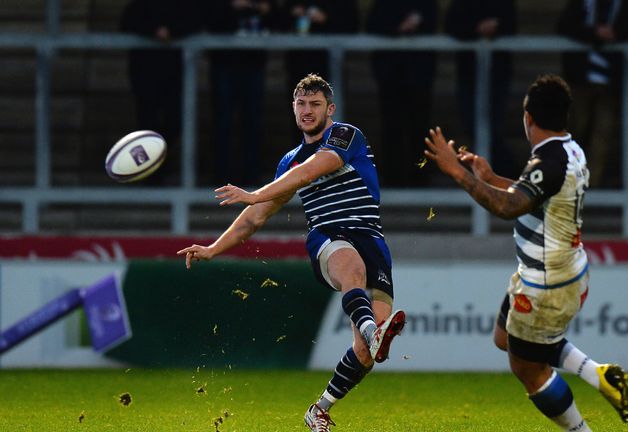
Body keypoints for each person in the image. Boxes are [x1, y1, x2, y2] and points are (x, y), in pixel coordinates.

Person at [177, 74, 406, 432]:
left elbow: (318, 167)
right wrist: (213, 248)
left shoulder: (346, 135)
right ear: (293, 109)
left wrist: (256, 192)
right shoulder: (289, 162)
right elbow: (254, 218)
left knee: (365, 353)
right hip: (328, 237)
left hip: (371, 239)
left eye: (315, 104)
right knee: (351, 269)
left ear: (330, 109)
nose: (307, 111)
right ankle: (373, 329)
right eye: (301, 104)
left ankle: (320, 409)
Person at [424, 74, 628, 431]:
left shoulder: (549, 161)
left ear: (528, 118)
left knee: (526, 367)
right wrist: (490, 177)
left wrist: (457, 171)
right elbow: (531, 196)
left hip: (546, 283)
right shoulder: (569, 150)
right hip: (555, 270)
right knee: (504, 337)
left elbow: (510, 207)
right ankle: (595, 373)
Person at [557, 0, 628, 188]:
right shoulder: (582, 5)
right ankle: (570, 184)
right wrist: (593, 33)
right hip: (581, 80)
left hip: (611, 83)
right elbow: (564, 26)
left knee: (602, 135)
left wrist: (617, 34)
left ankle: (589, 187)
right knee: (577, 131)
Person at [119, 0, 207, 185]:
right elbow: (127, 21)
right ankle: (149, 175)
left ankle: (155, 161)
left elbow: (196, 21)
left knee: (175, 122)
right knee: (147, 123)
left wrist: (172, 32)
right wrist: (154, 31)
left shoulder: (183, 6)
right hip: (145, 72)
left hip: (173, 73)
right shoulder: (141, 6)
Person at [367, 0, 438, 187]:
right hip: (391, 76)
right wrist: (397, 27)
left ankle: (420, 178)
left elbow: (434, 23)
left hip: (419, 77)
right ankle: (394, 179)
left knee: (419, 129)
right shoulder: (384, 6)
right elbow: (373, 24)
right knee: (393, 129)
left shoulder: (427, 6)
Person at [206, 0, 277, 186]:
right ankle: (221, 177)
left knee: (252, 121)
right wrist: (231, 7)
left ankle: (251, 176)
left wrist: (265, 9)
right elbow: (206, 16)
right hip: (224, 61)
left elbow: (277, 16)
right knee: (223, 122)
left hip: (253, 62)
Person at [445, 0, 518, 178]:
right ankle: (503, 178)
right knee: (472, 125)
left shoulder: (504, 6)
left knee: (493, 128)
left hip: (497, 73)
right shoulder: (461, 6)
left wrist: (496, 27)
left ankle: (505, 178)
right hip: (468, 73)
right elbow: (452, 25)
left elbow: (511, 24)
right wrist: (476, 28)